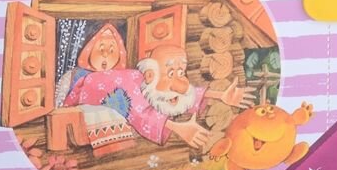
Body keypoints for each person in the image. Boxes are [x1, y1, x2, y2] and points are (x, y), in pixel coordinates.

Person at [63, 44, 256, 148]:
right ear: (150, 75)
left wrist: (220, 95)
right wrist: (178, 127)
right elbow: (139, 115)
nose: (180, 82)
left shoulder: (155, 83)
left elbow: (187, 94)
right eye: (171, 73)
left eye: (181, 72)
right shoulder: (133, 89)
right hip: (79, 81)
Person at [55, 23, 126, 106]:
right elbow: (59, 100)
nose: (105, 55)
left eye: (111, 50)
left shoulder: (120, 78)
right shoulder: (74, 75)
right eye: (101, 49)